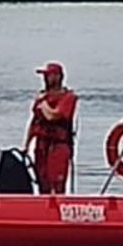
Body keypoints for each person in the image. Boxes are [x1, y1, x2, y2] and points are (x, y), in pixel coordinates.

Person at [26, 61, 78, 194]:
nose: (45, 79)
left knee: (57, 183)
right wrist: (26, 145)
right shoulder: (42, 96)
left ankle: (59, 203)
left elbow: (53, 116)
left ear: (58, 77)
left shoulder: (68, 97)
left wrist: (43, 104)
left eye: (48, 75)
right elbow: (34, 123)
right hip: (42, 145)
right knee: (42, 182)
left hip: (59, 146)